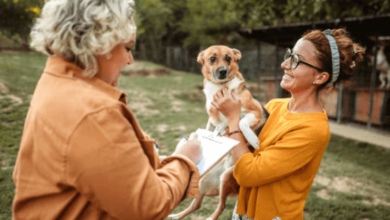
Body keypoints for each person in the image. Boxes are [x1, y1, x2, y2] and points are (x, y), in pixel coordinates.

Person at [12, 0, 202, 219]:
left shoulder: (54, 82)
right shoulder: (93, 112)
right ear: (102, 43)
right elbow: (149, 206)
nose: (129, 60)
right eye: (127, 48)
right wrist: (184, 160)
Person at [211, 28, 365, 220]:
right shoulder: (275, 106)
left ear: (320, 77)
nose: (284, 64)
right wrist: (231, 131)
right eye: (289, 55)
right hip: (244, 211)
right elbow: (247, 152)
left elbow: (248, 174)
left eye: (296, 61)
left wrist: (234, 119)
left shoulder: (313, 130)